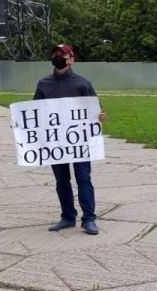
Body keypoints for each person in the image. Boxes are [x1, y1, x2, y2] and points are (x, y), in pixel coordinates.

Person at [36, 44, 107, 236]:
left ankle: (89, 219)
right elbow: (35, 113)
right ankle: (67, 217)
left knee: (84, 179)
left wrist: (99, 117)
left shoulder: (82, 83)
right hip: (55, 143)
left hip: (79, 143)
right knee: (62, 181)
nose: (58, 57)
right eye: (55, 54)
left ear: (71, 58)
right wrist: (20, 124)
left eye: (62, 54)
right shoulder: (43, 84)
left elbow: (95, 109)